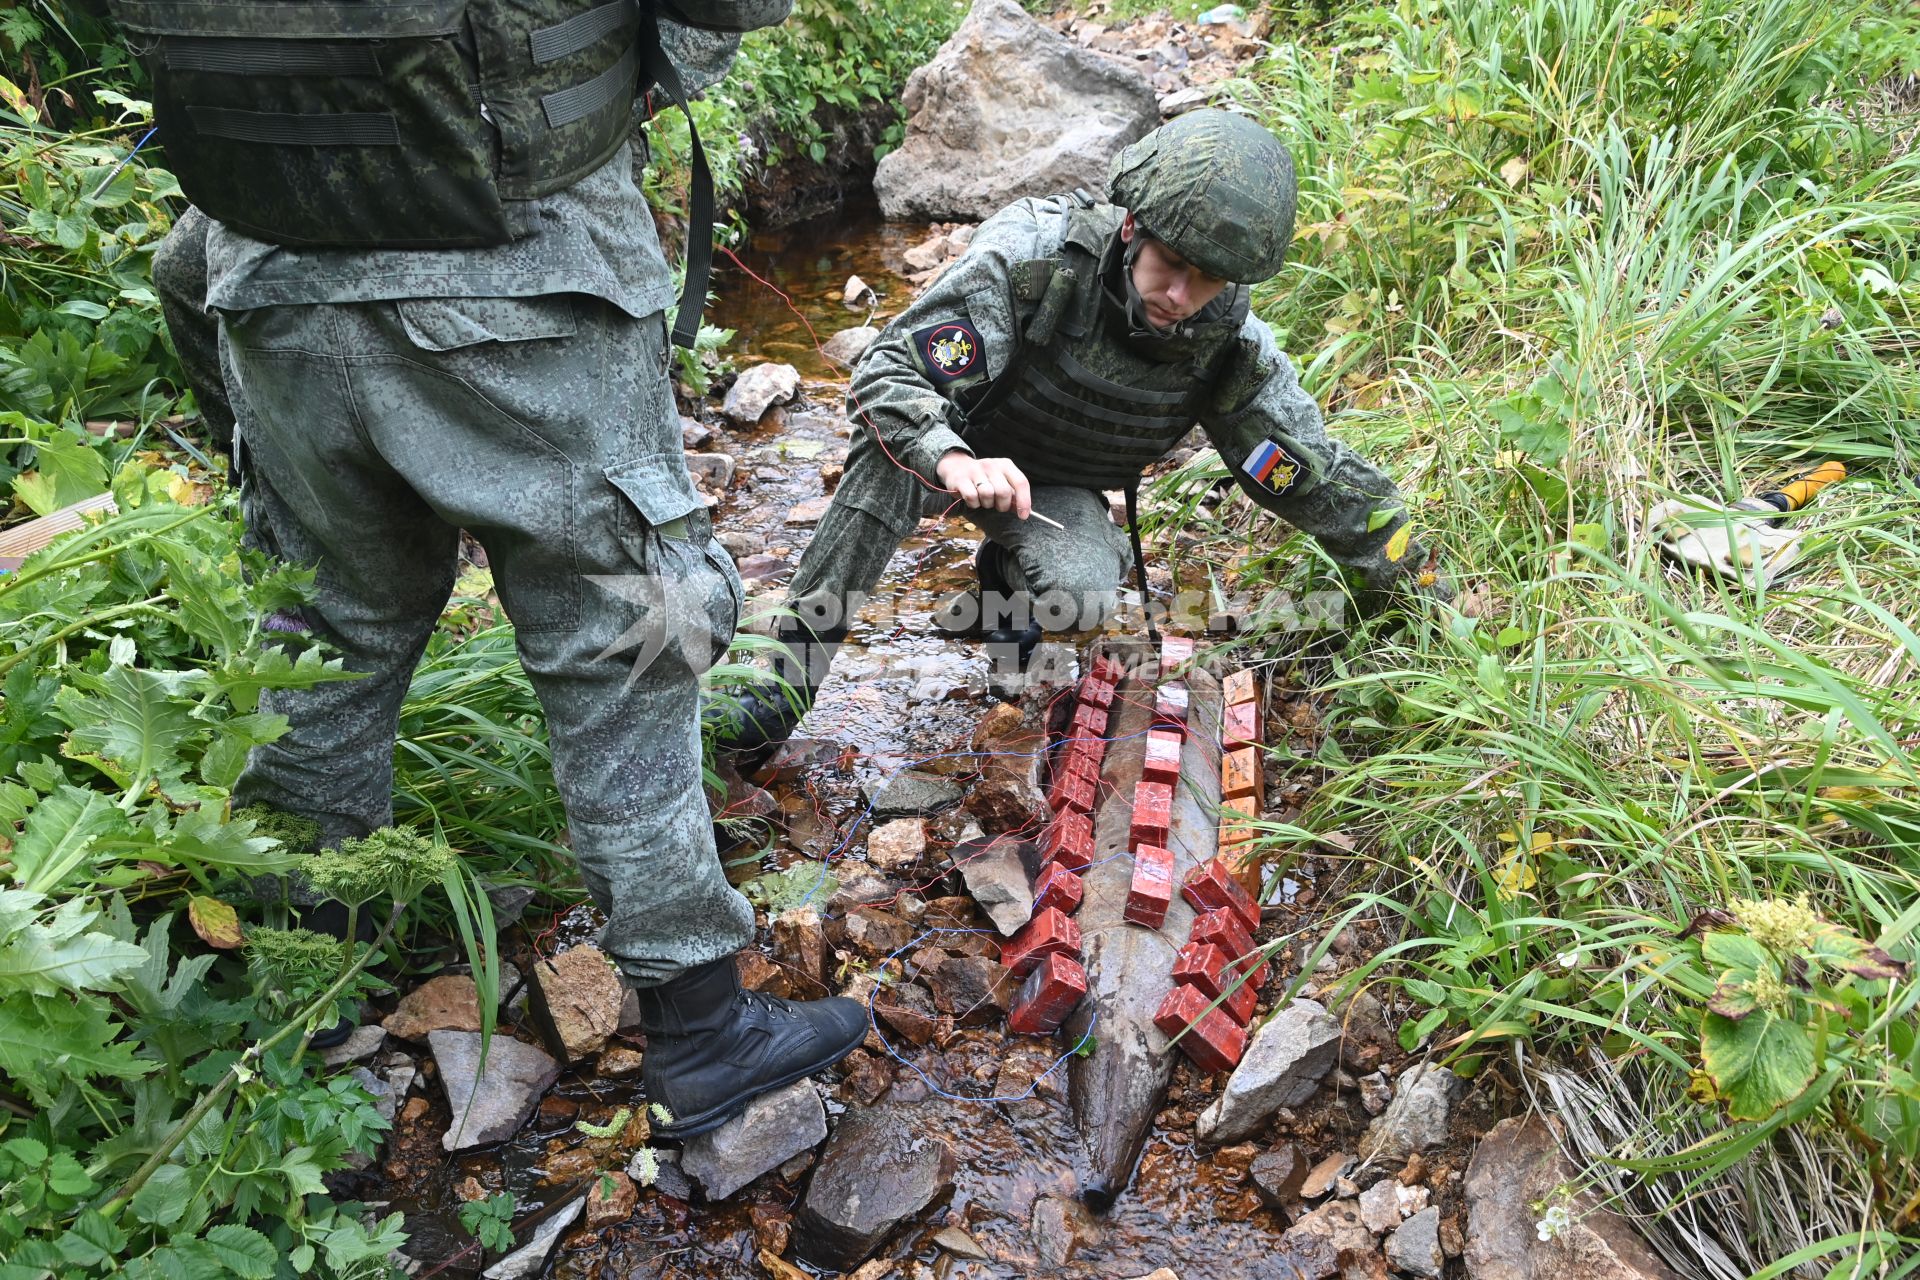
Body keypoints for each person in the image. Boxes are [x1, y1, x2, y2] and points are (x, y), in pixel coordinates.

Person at [133, 1, 866, 1140]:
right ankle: (701, 1029)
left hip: (266, 272)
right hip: (526, 265)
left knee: (325, 634)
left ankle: (296, 996)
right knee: (632, 635)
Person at [721, 109, 1447, 752]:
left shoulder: (1227, 348)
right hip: (945, 442)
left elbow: (1313, 476)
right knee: (887, 458)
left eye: (1210, 282)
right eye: (1172, 267)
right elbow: (889, 377)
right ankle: (782, 684)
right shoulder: (1033, 265)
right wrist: (948, 457)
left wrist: (1422, 595)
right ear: (1132, 230)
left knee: (1086, 595)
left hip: (1046, 488)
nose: (1180, 298)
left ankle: (1004, 584)